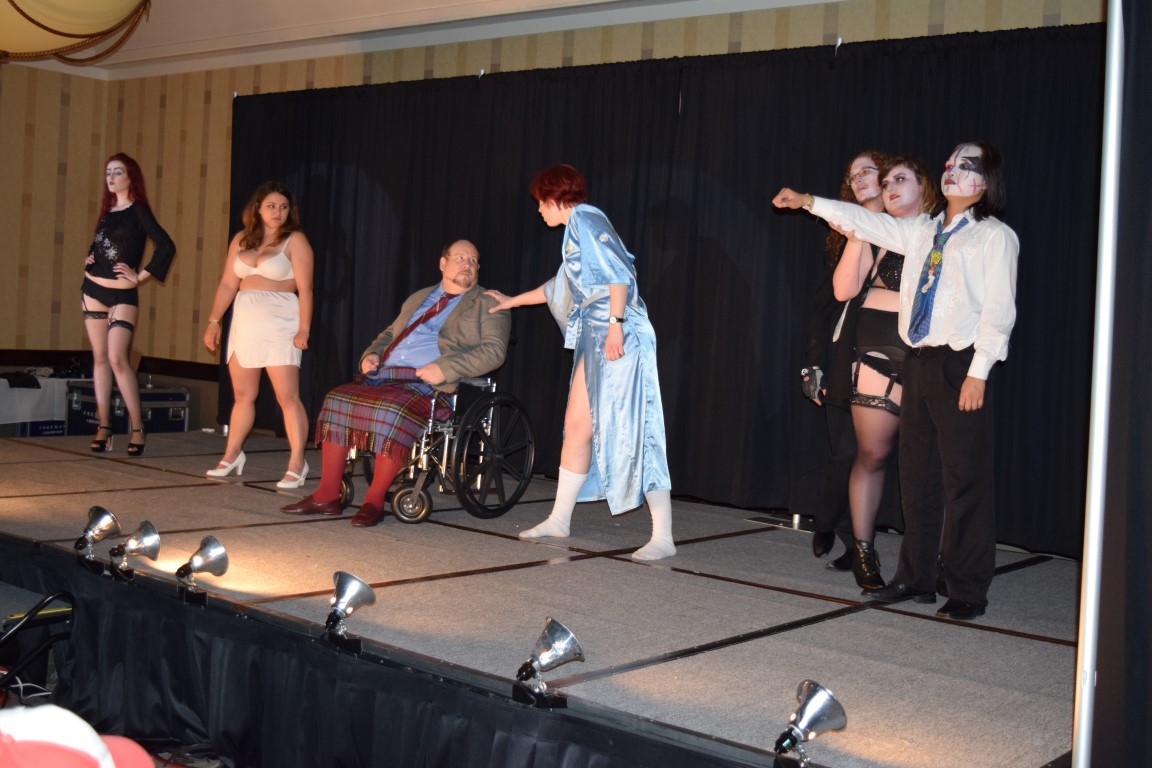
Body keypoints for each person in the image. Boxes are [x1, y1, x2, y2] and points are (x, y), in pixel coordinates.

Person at [773, 142, 1018, 620]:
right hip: (917, 360)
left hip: (959, 362)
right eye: (950, 164)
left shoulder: (994, 237)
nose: (953, 171)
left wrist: (979, 372)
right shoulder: (922, 231)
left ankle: (967, 588)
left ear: (986, 181)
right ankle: (915, 578)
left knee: (963, 478)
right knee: (917, 477)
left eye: (966, 166)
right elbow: (864, 221)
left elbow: (999, 311)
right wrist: (808, 201)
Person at [486, 164, 675, 561]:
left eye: (541, 202)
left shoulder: (586, 219)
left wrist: (616, 326)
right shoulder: (576, 230)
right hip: (596, 331)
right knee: (576, 426)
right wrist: (513, 301)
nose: (539, 210)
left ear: (555, 197)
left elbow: (619, 276)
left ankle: (664, 536)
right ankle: (559, 518)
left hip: (617, 330)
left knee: (636, 427)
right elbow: (559, 287)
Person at [280, 240, 509, 526]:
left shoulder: (489, 302)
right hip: (387, 375)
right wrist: (372, 354)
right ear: (443, 263)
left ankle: (374, 501)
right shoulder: (420, 297)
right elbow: (389, 334)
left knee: (391, 410)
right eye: (460, 258)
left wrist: (445, 368)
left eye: (473, 260)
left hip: (431, 384)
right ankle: (327, 495)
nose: (467, 265)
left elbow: (494, 352)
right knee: (336, 398)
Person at [829, 156, 939, 590]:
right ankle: (863, 550)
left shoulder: (942, 231)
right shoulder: (877, 230)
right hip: (877, 345)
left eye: (900, 180)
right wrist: (859, 231)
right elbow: (843, 289)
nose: (889, 187)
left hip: (929, 352)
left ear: (924, 187)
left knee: (928, 462)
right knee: (873, 453)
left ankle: (933, 558)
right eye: (886, 181)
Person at [802, 151, 889, 574]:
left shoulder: (904, 228)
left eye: (867, 170)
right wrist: (811, 365)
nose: (859, 179)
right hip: (840, 355)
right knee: (845, 454)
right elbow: (823, 305)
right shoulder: (842, 233)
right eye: (853, 175)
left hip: (884, 357)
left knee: (867, 455)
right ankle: (836, 529)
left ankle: (844, 535)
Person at [203, 182, 314, 489]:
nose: (278, 212)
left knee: (287, 397)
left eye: (283, 207)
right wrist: (214, 321)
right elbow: (228, 283)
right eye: (271, 206)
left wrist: (304, 329)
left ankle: (297, 462)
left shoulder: (295, 240)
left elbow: (306, 289)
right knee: (243, 395)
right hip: (245, 322)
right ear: (258, 208)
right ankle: (232, 455)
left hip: (281, 322)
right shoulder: (241, 239)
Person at [82, 153, 176, 457]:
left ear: (130, 177)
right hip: (92, 289)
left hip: (123, 295)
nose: (110, 177)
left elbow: (166, 245)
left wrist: (141, 276)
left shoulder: (139, 210)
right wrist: (90, 256)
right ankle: (104, 426)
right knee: (99, 358)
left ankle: (137, 427)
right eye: (108, 172)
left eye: (117, 172)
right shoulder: (106, 212)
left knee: (117, 358)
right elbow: (102, 243)